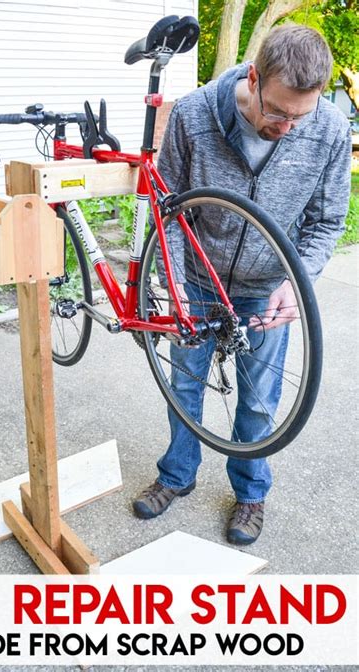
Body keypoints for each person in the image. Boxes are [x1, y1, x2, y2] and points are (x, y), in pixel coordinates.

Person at [133, 24, 351, 544]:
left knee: (259, 402)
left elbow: (327, 221)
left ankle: (251, 495)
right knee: (185, 384)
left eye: (301, 115)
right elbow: (170, 213)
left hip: (267, 286)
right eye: (277, 112)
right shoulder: (195, 115)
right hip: (199, 281)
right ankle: (176, 477)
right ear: (254, 79)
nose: (289, 126)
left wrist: (299, 282)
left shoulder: (329, 128)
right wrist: (175, 283)